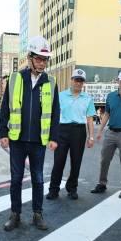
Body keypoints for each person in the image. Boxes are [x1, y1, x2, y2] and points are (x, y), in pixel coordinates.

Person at [0, 35, 60, 231]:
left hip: (38, 141)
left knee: (38, 178)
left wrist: (53, 137)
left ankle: (37, 214)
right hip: (17, 139)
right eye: (39, 59)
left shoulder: (51, 81)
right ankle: (15, 214)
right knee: (16, 178)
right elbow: (5, 108)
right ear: (30, 57)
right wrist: (3, 133)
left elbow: (55, 112)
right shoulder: (16, 78)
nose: (42, 63)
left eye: (45, 59)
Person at [91, 70, 121, 198]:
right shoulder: (111, 96)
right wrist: (100, 130)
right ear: (118, 81)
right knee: (104, 160)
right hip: (111, 133)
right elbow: (107, 114)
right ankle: (102, 184)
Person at [47, 68, 95, 200]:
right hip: (62, 130)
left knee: (76, 162)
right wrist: (52, 136)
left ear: (83, 83)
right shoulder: (61, 96)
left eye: (81, 81)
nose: (78, 83)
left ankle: (72, 188)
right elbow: (54, 116)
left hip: (79, 131)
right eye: (76, 80)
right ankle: (53, 189)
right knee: (59, 161)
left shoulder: (88, 98)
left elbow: (90, 118)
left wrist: (91, 137)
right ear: (71, 80)